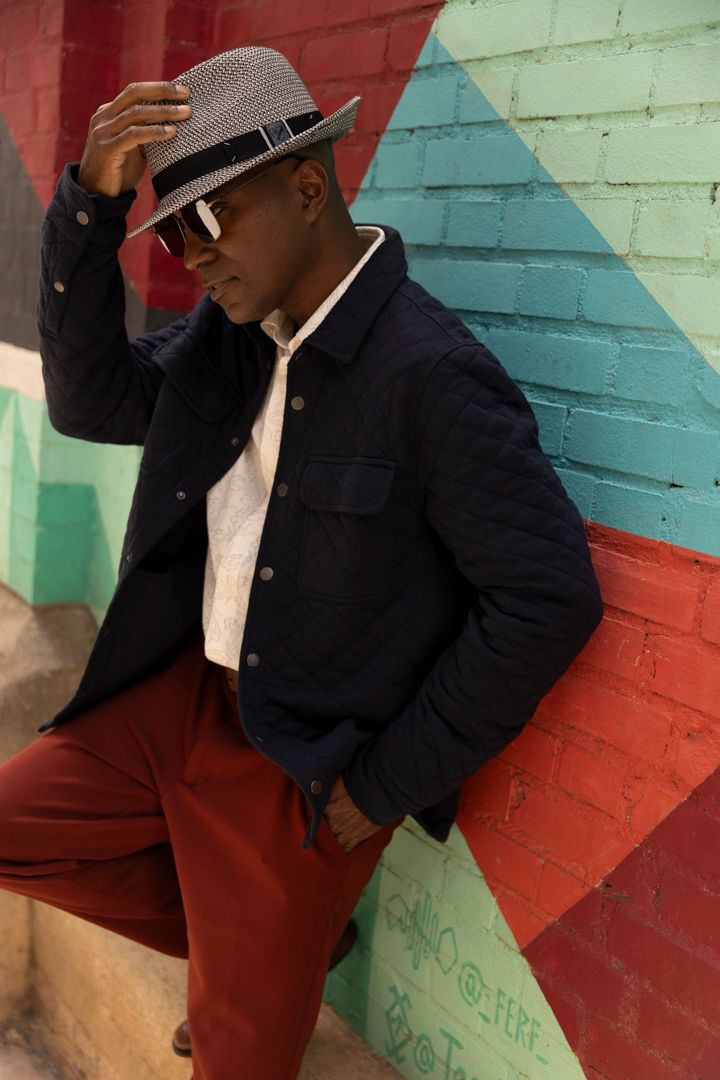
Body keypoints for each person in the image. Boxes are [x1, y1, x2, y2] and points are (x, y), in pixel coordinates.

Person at [2, 45, 602, 1079]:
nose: (192, 257)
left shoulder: (431, 376)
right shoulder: (230, 335)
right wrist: (92, 208)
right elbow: (90, 402)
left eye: (210, 218)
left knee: (235, 1063)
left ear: (309, 187)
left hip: (302, 764)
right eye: (172, 230)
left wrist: (387, 781)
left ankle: (264, 951)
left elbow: (546, 597)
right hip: (181, 700)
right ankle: (260, 945)